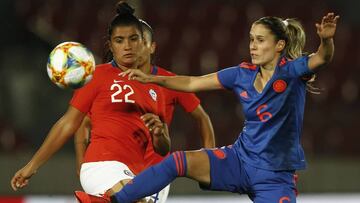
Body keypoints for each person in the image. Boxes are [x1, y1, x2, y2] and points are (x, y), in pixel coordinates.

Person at [109, 13, 339, 203]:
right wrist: (150, 79)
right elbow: (191, 82)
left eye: (260, 40)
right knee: (176, 161)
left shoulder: (292, 72)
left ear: (279, 45)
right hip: (238, 161)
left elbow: (321, 58)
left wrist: (326, 41)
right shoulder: (241, 74)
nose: (253, 46)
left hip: (274, 177)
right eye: (251, 40)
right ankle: (115, 201)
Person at [11, 2, 170, 202]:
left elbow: (163, 148)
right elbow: (68, 124)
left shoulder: (155, 87)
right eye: (119, 40)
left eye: (133, 39)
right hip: (102, 165)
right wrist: (31, 166)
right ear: (111, 45)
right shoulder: (98, 76)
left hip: (135, 172)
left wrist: (158, 134)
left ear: (143, 43)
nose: (127, 46)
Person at [73, 19, 216, 203]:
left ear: (151, 47)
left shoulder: (167, 81)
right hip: (121, 165)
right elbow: (84, 122)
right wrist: (80, 162)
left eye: (139, 42)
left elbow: (202, 117)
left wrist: (209, 157)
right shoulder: (114, 81)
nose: (133, 47)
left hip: (155, 172)